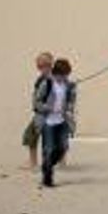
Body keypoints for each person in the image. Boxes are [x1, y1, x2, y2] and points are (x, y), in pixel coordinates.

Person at [38, 58, 76, 188]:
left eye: (67, 75)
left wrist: (69, 110)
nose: (65, 77)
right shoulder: (47, 84)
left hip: (62, 121)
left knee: (63, 147)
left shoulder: (69, 85)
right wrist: (49, 108)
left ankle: (46, 165)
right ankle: (48, 178)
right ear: (57, 73)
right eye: (63, 75)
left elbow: (71, 101)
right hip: (48, 122)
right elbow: (36, 103)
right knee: (48, 150)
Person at [23, 51, 54, 169]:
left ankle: (33, 163)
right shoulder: (46, 79)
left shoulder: (49, 81)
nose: (41, 68)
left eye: (44, 65)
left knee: (31, 135)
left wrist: (42, 107)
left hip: (44, 115)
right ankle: (60, 162)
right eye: (40, 66)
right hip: (46, 113)